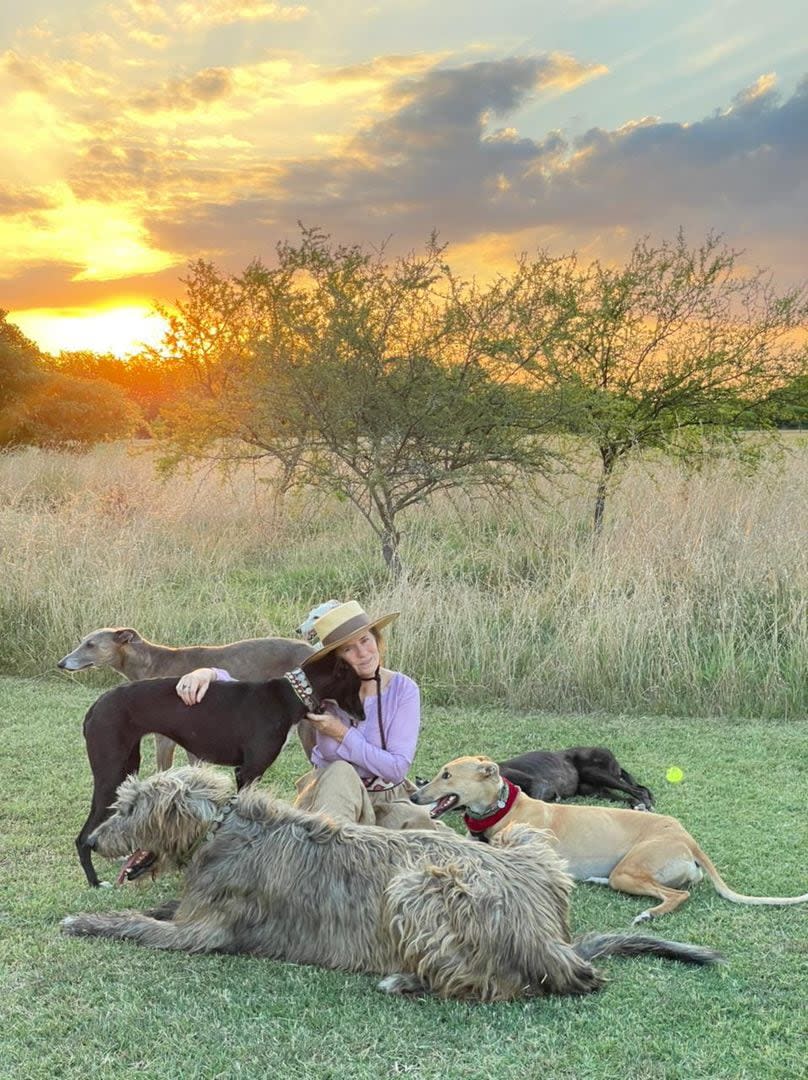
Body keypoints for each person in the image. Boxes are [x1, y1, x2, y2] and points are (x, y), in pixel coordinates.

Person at [174, 600, 445, 830]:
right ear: (336, 659)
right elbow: (257, 695)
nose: (362, 654)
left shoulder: (403, 689)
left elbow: (396, 768)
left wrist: (341, 733)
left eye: (365, 640)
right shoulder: (316, 690)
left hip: (387, 796)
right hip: (331, 796)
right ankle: (330, 861)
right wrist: (208, 674)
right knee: (340, 772)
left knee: (423, 828)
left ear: (377, 640)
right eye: (349, 648)